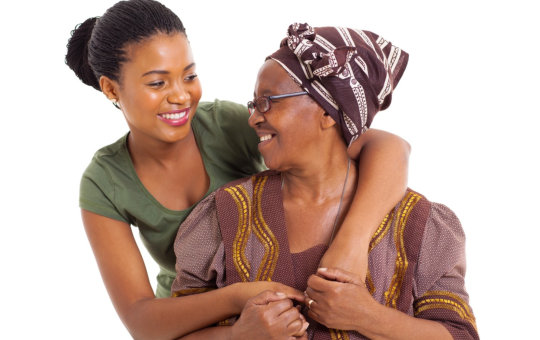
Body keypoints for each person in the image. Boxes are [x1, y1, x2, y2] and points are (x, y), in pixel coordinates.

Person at [66, 0, 410, 338]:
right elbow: (141, 319)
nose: (182, 96)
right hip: (192, 324)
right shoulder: (104, 183)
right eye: (158, 83)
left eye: (189, 76)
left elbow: (388, 147)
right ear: (111, 88)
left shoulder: (227, 125)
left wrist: (351, 244)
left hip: (282, 305)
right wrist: (238, 310)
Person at [171, 23, 478, 339]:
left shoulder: (419, 224)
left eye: (268, 101)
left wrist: (368, 317)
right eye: (254, 103)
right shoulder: (225, 214)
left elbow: (460, 335)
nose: (253, 118)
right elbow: (175, 331)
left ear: (328, 110)